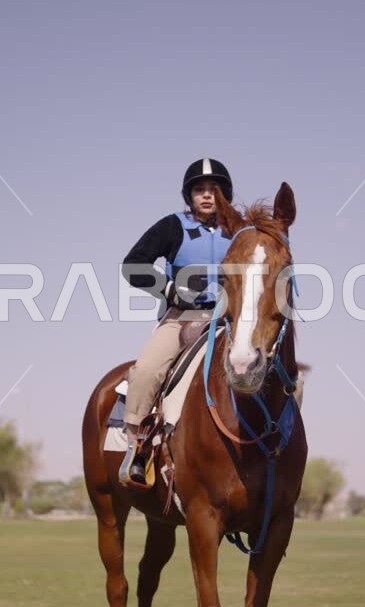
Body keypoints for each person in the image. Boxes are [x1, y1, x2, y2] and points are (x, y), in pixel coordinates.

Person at [118, 158, 238, 485]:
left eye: (214, 190)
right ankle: (137, 445)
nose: (207, 196)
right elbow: (133, 265)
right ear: (190, 195)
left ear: (224, 194)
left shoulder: (241, 230)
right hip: (181, 319)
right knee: (145, 371)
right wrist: (168, 289)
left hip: (230, 321)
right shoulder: (172, 226)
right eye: (199, 190)